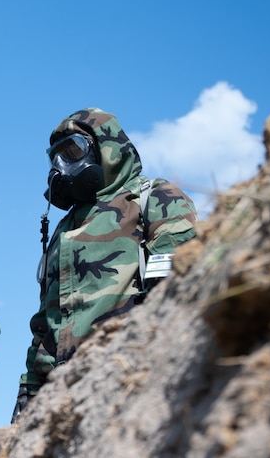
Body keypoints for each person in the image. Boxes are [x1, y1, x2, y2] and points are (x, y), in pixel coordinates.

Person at [14, 108, 197, 418]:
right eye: (55, 158)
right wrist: (26, 397)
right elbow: (45, 324)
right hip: (59, 396)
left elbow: (175, 288)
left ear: (106, 149)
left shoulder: (154, 197)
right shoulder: (63, 229)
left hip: (125, 375)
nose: (62, 166)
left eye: (73, 151)